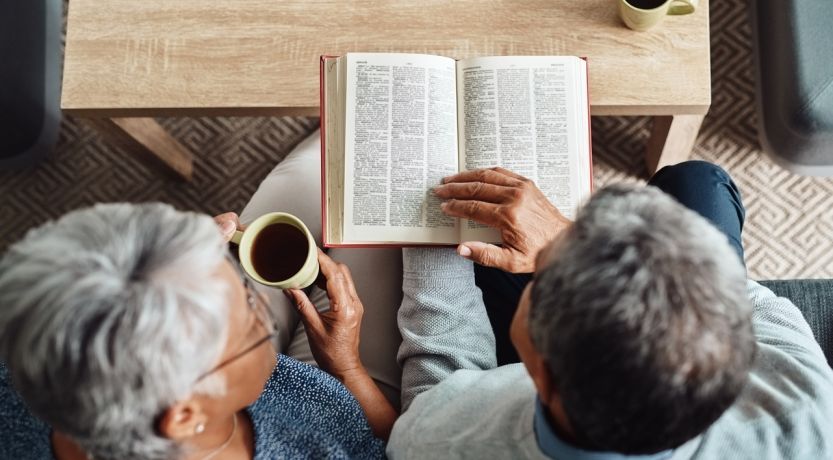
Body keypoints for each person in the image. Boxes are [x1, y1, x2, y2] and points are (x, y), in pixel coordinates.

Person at [388, 162, 833, 459]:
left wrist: (427, 230)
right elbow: (740, 295)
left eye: (541, 273)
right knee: (697, 181)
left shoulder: (448, 442)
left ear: (536, 371)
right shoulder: (806, 401)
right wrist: (564, 239)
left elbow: (436, 384)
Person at [0, 132, 399, 459]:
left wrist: (181, 259)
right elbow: (395, 448)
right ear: (184, 415)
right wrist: (348, 369)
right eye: (248, 312)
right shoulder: (319, 450)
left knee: (333, 158)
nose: (261, 301)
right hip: (339, 393)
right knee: (366, 176)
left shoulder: (24, 367)